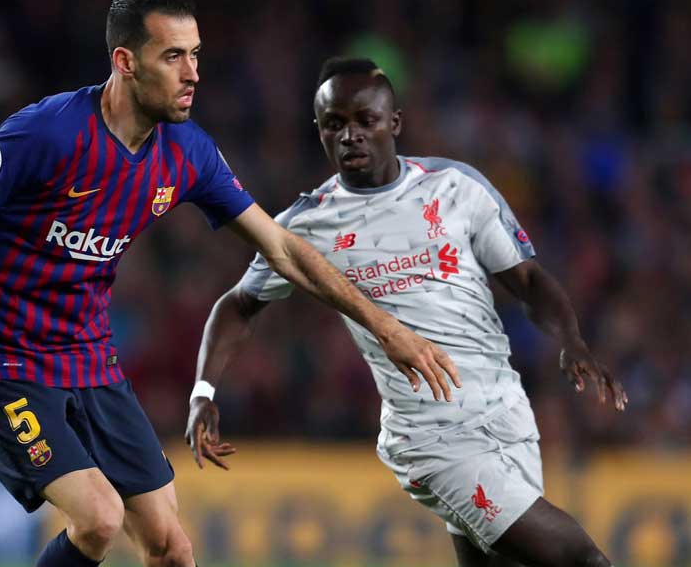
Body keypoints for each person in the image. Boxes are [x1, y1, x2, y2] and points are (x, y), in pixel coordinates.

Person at [0, 0, 459, 567]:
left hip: (87, 358)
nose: (193, 74)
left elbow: (283, 249)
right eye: (173, 56)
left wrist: (385, 326)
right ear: (125, 62)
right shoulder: (46, 133)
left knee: (170, 547)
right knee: (99, 519)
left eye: (196, 54)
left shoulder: (187, 152)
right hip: (2, 362)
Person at [186, 57, 628, 567]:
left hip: (507, 414)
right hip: (432, 440)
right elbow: (238, 305)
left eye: (365, 120)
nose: (350, 135)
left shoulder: (456, 187)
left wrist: (572, 340)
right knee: (582, 560)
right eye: (334, 124)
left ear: (393, 122)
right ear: (319, 131)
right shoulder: (306, 225)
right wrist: (204, 392)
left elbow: (527, 279)